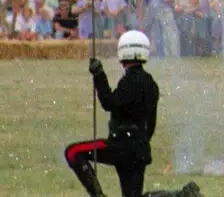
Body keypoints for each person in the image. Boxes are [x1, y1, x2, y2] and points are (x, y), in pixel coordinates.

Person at [63, 31, 200, 197]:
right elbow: (151, 124)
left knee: (73, 152)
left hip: (122, 146)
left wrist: (99, 75)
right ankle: (180, 196)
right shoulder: (150, 83)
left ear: (122, 51)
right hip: (140, 149)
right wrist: (139, 142)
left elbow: (109, 103)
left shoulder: (130, 81)